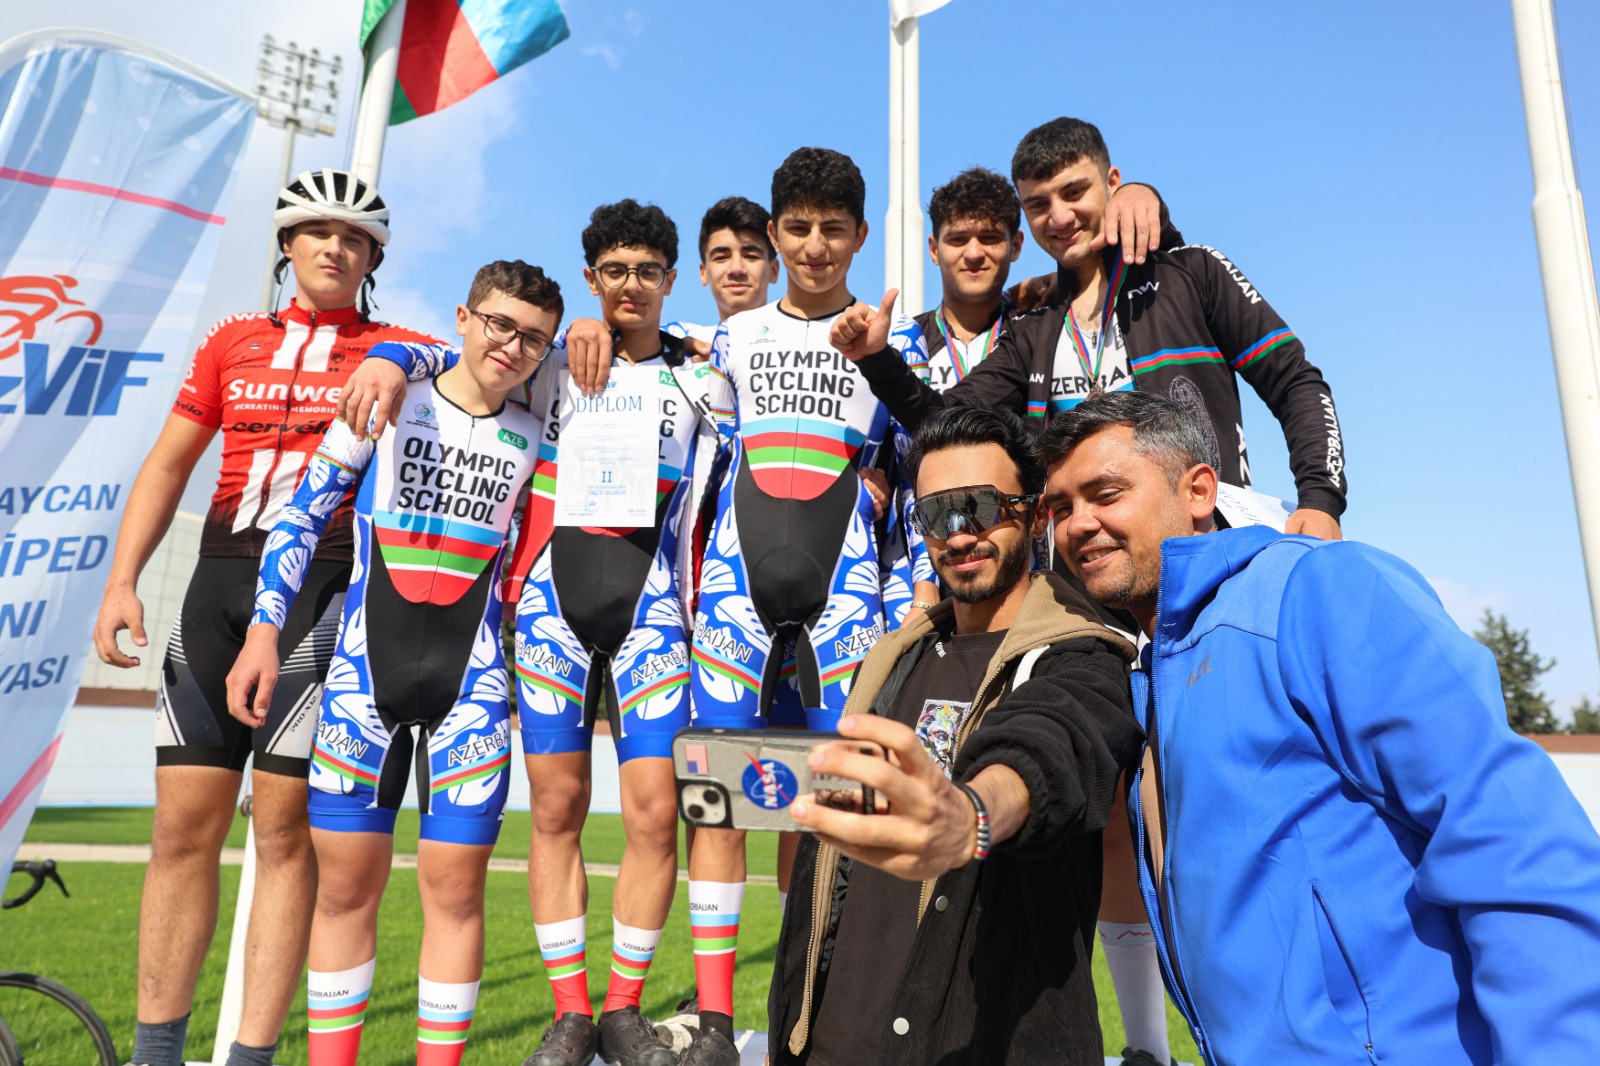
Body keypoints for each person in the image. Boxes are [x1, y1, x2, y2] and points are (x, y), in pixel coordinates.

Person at [831, 116, 1349, 1062]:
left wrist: (1320, 498)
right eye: (1040, 205)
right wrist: (876, 358)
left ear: (1114, 182)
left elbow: (1296, 378)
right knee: (1118, 820)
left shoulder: (1189, 273)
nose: (1060, 216)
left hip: (1212, 580)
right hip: (1092, 600)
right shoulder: (1031, 328)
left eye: (1076, 192)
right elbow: (953, 428)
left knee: (1244, 807)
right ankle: (1147, 1047)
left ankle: (1286, 1031)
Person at [1037, 389, 1600, 1063]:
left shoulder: (1316, 588)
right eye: (1061, 508)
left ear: (1199, 490)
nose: (1078, 525)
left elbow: (1510, 837)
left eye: (1105, 494)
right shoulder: (1152, 678)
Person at [90, 169, 436, 1066]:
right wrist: (123, 580)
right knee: (179, 833)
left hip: (322, 591)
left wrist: (401, 361)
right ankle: (156, 1054)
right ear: (287, 244)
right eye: (318, 231)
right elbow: (169, 464)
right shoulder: (231, 340)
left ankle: (249, 1057)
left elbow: (482, 360)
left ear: (374, 259)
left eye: (355, 239)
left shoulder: (397, 347)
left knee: (283, 834)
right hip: (215, 586)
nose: (335, 248)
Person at [226, 259, 559, 1066]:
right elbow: (300, 519)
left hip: (472, 686)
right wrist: (264, 633)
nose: (512, 346)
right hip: (361, 682)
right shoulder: (388, 400)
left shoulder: (538, 435)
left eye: (533, 338)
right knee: (343, 891)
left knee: (457, 893)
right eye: (499, 324)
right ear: (464, 319)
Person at [772, 405, 1143, 1065]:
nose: (958, 533)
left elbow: (1052, 749)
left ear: (1033, 516)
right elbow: (823, 879)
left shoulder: (1082, 657)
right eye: (936, 513)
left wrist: (969, 815)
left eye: (980, 506)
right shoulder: (891, 657)